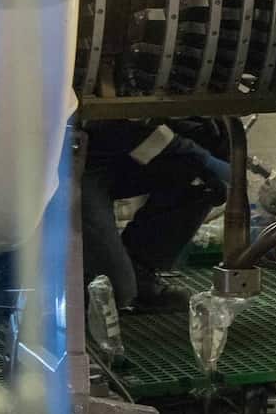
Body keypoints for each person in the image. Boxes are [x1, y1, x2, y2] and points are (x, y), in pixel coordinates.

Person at [80, 118, 234, 313]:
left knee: (211, 134)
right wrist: (198, 156)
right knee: (110, 292)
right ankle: (66, 283)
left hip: (122, 148)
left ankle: (141, 267)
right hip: (74, 157)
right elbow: (109, 125)